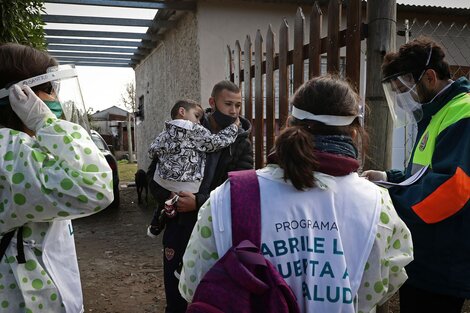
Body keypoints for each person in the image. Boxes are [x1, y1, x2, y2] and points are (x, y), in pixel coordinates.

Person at [178, 75, 413, 313]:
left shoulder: (228, 198)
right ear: (353, 135)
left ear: (289, 124)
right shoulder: (377, 204)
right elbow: (378, 289)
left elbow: (193, 285)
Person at [0, 43, 114, 312]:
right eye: (51, 90)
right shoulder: (9, 149)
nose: (56, 100)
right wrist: (46, 122)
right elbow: (96, 187)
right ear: (21, 97)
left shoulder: (23, 145)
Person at [362, 37, 470, 313]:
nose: (403, 99)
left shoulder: (463, 112)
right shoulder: (437, 112)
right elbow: (422, 175)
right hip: (427, 253)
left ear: (430, 77)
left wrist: (387, 199)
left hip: (442, 262)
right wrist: (389, 176)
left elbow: (451, 189)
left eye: (404, 90)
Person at [161, 81, 253, 313]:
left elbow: (238, 188)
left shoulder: (241, 142)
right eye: (228, 104)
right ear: (212, 102)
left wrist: (198, 201)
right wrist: (168, 193)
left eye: (238, 105)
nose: (234, 111)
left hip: (214, 228)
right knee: (175, 295)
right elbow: (155, 171)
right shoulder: (184, 128)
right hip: (178, 225)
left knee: (209, 292)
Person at [146, 99, 238, 237]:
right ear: (182, 111)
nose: (199, 122)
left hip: (164, 181)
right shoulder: (194, 129)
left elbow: (152, 151)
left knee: (165, 203)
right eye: (196, 116)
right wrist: (234, 128)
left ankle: (156, 223)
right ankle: (167, 212)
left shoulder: (165, 131)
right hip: (188, 184)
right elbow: (215, 142)